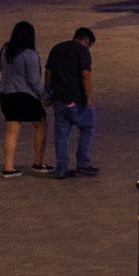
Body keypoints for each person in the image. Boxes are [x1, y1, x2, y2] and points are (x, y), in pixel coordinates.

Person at [0, 21, 49, 177]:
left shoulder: (6, 49)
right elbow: (34, 81)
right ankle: (38, 162)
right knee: (41, 125)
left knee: (12, 131)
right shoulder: (29, 54)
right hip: (24, 95)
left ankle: (8, 168)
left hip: (6, 95)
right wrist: (45, 96)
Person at [46, 27, 97, 179]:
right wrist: (89, 97)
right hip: (76, 99)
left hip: (59, 99)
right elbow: (85, 75)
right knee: (88, 126)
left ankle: (62, 169)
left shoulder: (56, 48)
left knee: (61, 134)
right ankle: (83, 164)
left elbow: (48, 72)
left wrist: (48, 94)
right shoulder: (82, 51)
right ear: (86, 40)